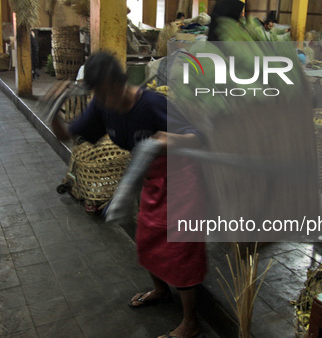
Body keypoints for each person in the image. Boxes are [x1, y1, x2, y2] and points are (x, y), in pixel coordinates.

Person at [51, 51, 207, 338]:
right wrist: (55, 107)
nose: (102, 98)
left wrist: (167, 138)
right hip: (150, 177)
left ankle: (191, 322)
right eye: (97, 93)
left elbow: (199, 139)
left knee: (181, 248)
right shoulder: (102, 106)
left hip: (183, 179)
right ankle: (161, 290)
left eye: (105, 91)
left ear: (118, 82)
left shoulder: (152, 103)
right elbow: (65, 135)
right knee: (147, 237)